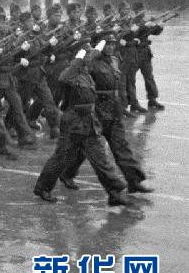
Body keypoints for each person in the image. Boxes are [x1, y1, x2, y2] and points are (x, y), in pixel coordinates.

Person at [33, 41, 131, 206]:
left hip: (88, 123)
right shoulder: (71, 73)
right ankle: (42, 188)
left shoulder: (86, 72)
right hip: (73, 125)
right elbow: (63, 79)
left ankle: (114, 192)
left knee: (100, 159)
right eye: (87, 54)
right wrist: (78, 60)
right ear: (79, 57)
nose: (91, 57)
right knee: (60, 158)